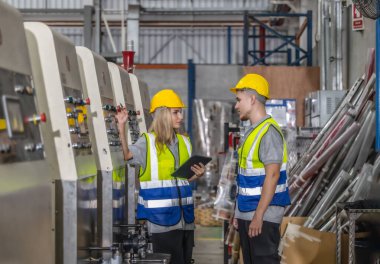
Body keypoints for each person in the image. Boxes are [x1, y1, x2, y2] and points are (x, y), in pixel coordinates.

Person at [115, 89, 205, 264]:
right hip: (161, 222)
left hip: (185, 220)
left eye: (180, 112)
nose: (180, 116)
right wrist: (121, 127)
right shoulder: (147, 142)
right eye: (175, 112)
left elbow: (182, 181)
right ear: (163, 114)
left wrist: (197, 175)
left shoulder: (184, 142)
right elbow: (127, 155)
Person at [230, 74, 291, 264]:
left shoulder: (268, 132)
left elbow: (272, 176)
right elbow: (245, 179)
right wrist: (238, 213)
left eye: (239, 100)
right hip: (249, 212)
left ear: (252, 99)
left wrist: (258, 216)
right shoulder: (253, 131)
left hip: (262, 216)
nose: (236, 106)